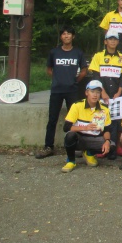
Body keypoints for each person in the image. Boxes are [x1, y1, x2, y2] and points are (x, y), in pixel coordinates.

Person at [36, 25, 88, 159]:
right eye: (64, 34)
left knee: (75, 120)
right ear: (61, 37)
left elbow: (84, 70)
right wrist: (58, 78)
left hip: (72, 90)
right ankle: (48, 146)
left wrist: (75, 80)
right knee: (52, 119)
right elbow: (49, 69)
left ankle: (76, 147)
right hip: (56, 90)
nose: (66, 36)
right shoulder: (54, 52)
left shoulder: (78, 52)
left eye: (69, 34)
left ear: (73, 36)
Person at [88, 29, 122, 158]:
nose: (113, 41)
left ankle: (113, 147)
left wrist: (119, 92)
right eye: (110, 39)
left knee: (116, 121)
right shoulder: (98, 56)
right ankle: (100, 147)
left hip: (117, 94)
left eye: (115, 39)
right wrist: (102, 92)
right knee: (101, 120)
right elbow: (96, 75)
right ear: (106, 41)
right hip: (102, 94)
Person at [61, 80, 112, 173]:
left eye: (98, 92)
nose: (95, 95)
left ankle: (89, 153)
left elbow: (107, 129)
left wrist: (107, 141)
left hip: (94, 138)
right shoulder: (77, 106)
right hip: (79, 138)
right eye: (92, 92)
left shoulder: (104, 108)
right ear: (86, 92)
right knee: (70, 136)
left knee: (111, 146)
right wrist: (85, 128)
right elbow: (66, 127)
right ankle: (71, 161)